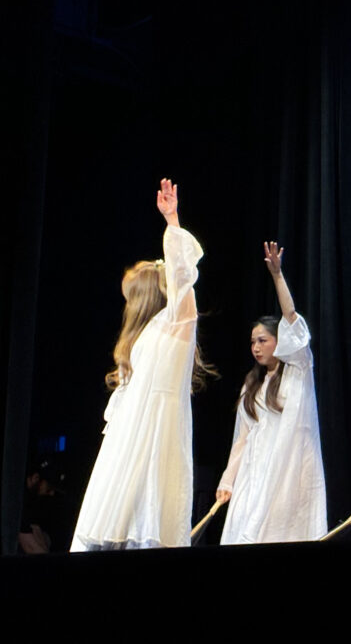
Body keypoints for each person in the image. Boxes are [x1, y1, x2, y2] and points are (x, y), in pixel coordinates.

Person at [72, 178, 211, 551]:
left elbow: (182, 279)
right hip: (127, 441)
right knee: (112, 526)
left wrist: (173, 222)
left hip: (155, 434)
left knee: (146, 520)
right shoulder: (142, 338)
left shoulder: (174, 324)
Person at [215, 242, 327, 543]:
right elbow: (242, 438)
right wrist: (228, 480)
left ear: (281, 340)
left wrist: (277, 276)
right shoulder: (252, 385)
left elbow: (290, 316)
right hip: (254, 472)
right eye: (253, 342)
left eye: (263, 340)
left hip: (288, 469)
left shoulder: (299, 370)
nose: (256, 347)